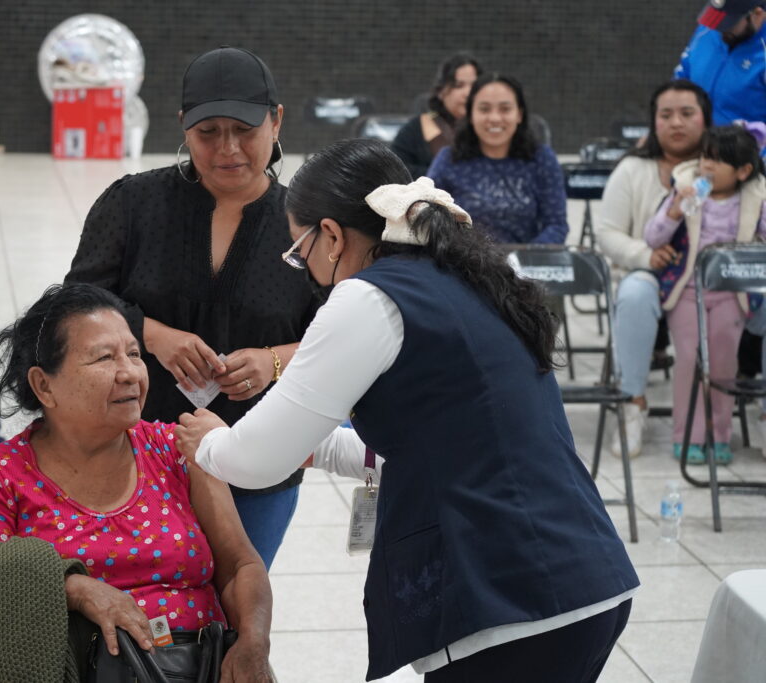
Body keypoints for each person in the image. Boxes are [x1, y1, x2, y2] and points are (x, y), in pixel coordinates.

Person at [175, 139, 639, 682]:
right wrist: (317, 446)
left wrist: (208, 440)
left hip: (508, 598)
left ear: (329, 236)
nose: (304, 267)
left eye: (298, 252)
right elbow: (439, 440)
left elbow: (253, 462)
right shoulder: (474, 280)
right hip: (587, 579)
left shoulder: (366, 299)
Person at [0, 283, 272, 682]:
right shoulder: (2, 472)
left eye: (133, 354)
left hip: (202, 666)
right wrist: (74, 589)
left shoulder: (179, 447)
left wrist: (253, 641)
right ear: (44, 385)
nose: (129, 372)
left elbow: (239, 566)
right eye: (103, 358)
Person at [64, 46, 317, 569]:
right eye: (208, 132)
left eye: (245, 130)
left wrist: (274, 360)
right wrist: (151, 334)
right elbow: (75, 303)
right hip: (134, 452)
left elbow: (344, 336)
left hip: (257, 457)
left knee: (235, 606)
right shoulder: (134, 203)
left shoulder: (310, 227)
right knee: (142, 614)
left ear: (277, 121)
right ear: (183, 126)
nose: (228, 149)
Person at [595, 79, 712, 459]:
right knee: (634, 292)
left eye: (686, 113)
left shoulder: (724, 170)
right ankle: (633, 404)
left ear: (706, 119)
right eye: (666, 115)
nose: (676, 122)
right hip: (645, 275)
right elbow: (608, 233)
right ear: (653, 122)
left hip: (707, 283)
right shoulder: (632, 169)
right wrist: (646, 255)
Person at [644, 124, 766, 465]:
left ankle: (720, 434)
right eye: (705, 157)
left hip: (732, 294)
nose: (706, 167)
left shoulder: (755, 199)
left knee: (724, 363)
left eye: (717, 161)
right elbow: (653, 238)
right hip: (687, 292)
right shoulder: (685, 191)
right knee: (689, 360)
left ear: (743, 171)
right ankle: (688, 437)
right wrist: (674, 210)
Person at [426, 73, 568, 245]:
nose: (494, 118)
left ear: (519, 114)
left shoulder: (542, 159)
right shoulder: (449, 159)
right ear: (471, 114)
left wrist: (525, 259)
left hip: (524, 266)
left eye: (505, 109)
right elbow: (428, 215)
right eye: (484, 109)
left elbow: (556, 225)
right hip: (461, 265)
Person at [675, 1, 766, 126]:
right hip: (697, 141)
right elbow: (681, 79)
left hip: (744, 143)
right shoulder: (709, 29)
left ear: (758, 13)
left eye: (729, 23)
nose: (719, 29)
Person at [390, 52, 480, 178]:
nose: (468, 92)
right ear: (441, 91)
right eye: (459, 86)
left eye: (474, 86)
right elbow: (395, 170)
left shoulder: (486, 128)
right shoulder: (416, 129)